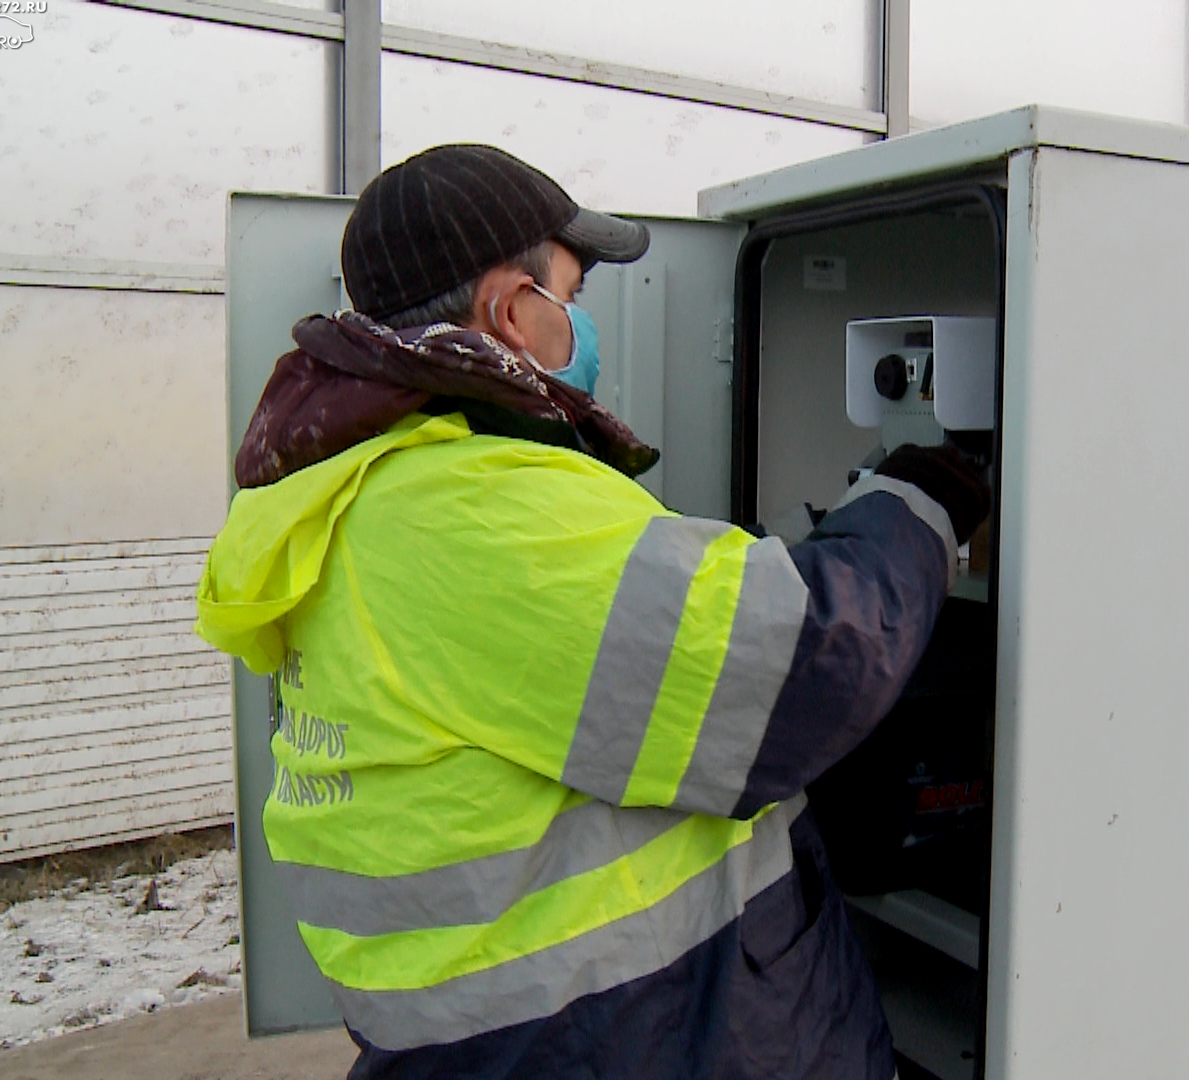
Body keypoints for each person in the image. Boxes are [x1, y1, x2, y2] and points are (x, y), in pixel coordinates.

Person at [195, 143, 990, 1080]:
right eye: (572, 293)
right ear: (510, 310)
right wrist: (921, 498)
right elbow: (804, 663)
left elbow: (599, 644)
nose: (584, 322)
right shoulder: (471, 510)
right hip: (617, 1040)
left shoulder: (362, 492)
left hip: (500, 1041)